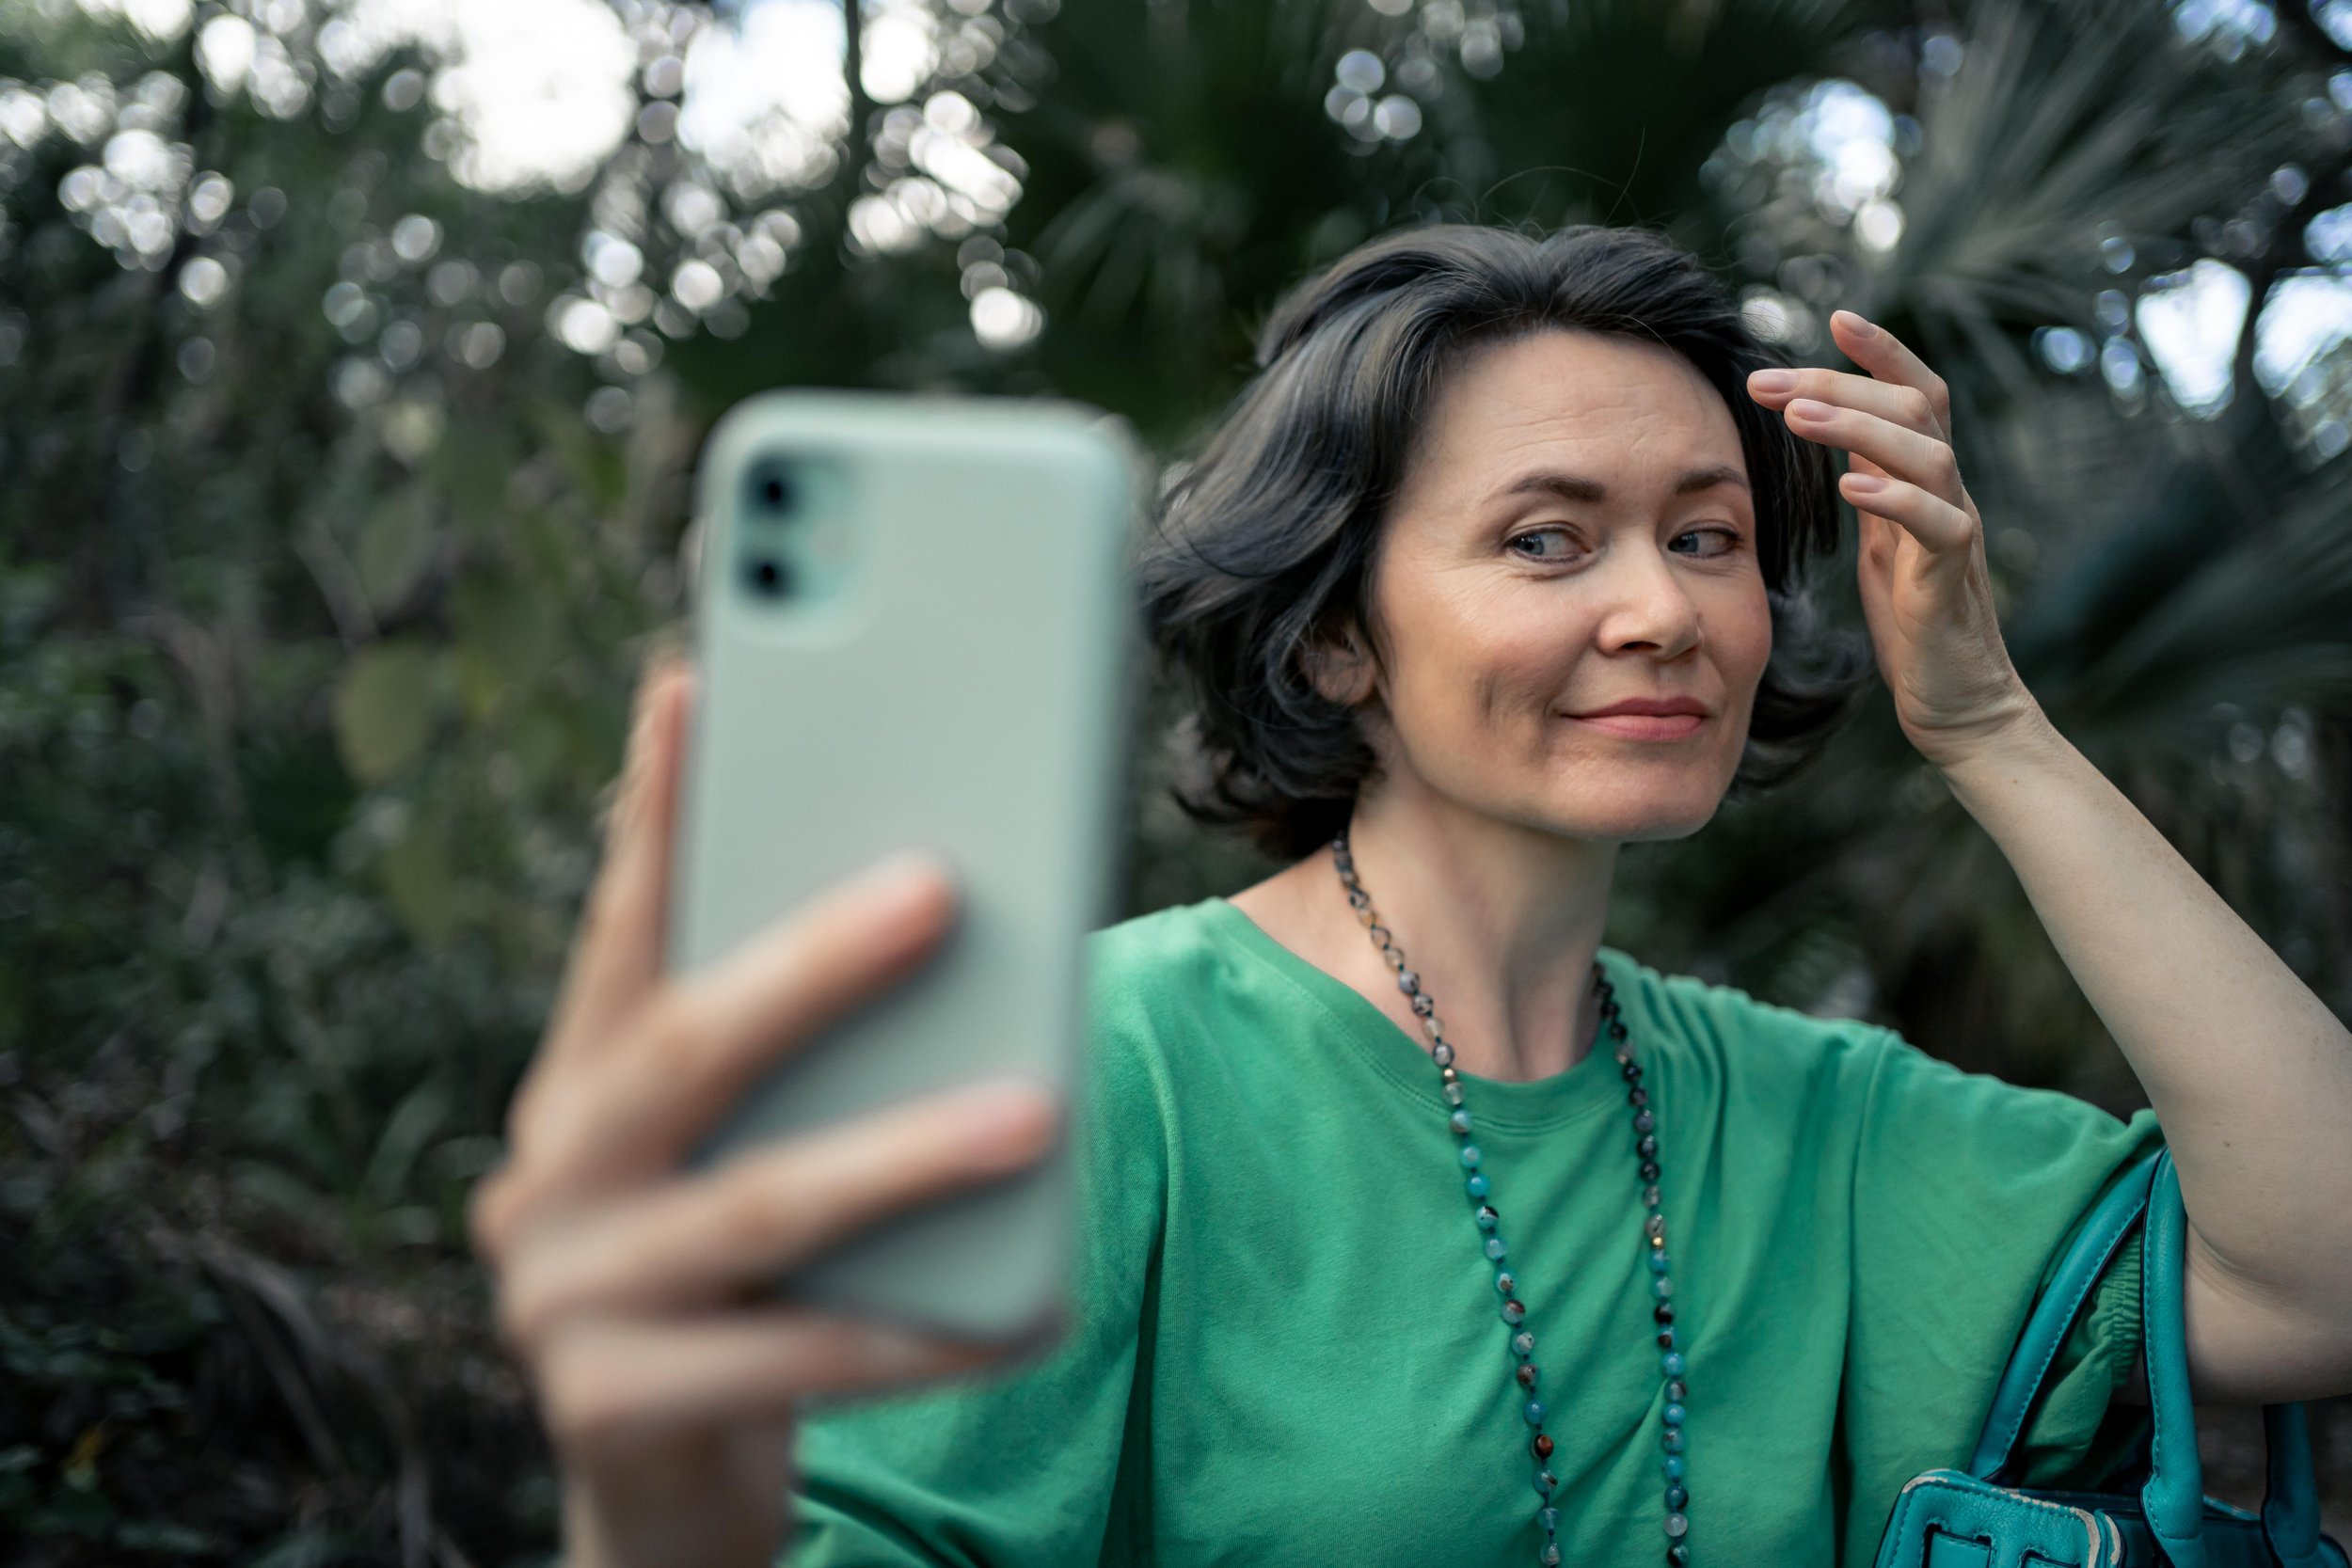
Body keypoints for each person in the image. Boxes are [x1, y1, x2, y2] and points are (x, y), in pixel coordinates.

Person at [468, 224, 2352, 1568]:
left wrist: (1992, 727)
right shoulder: (1091, 1066)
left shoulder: (1815, 1118)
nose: (1660, 610)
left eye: (1704, 536)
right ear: (1341, 635)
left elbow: (2320, 1266)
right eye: (1547, 539)